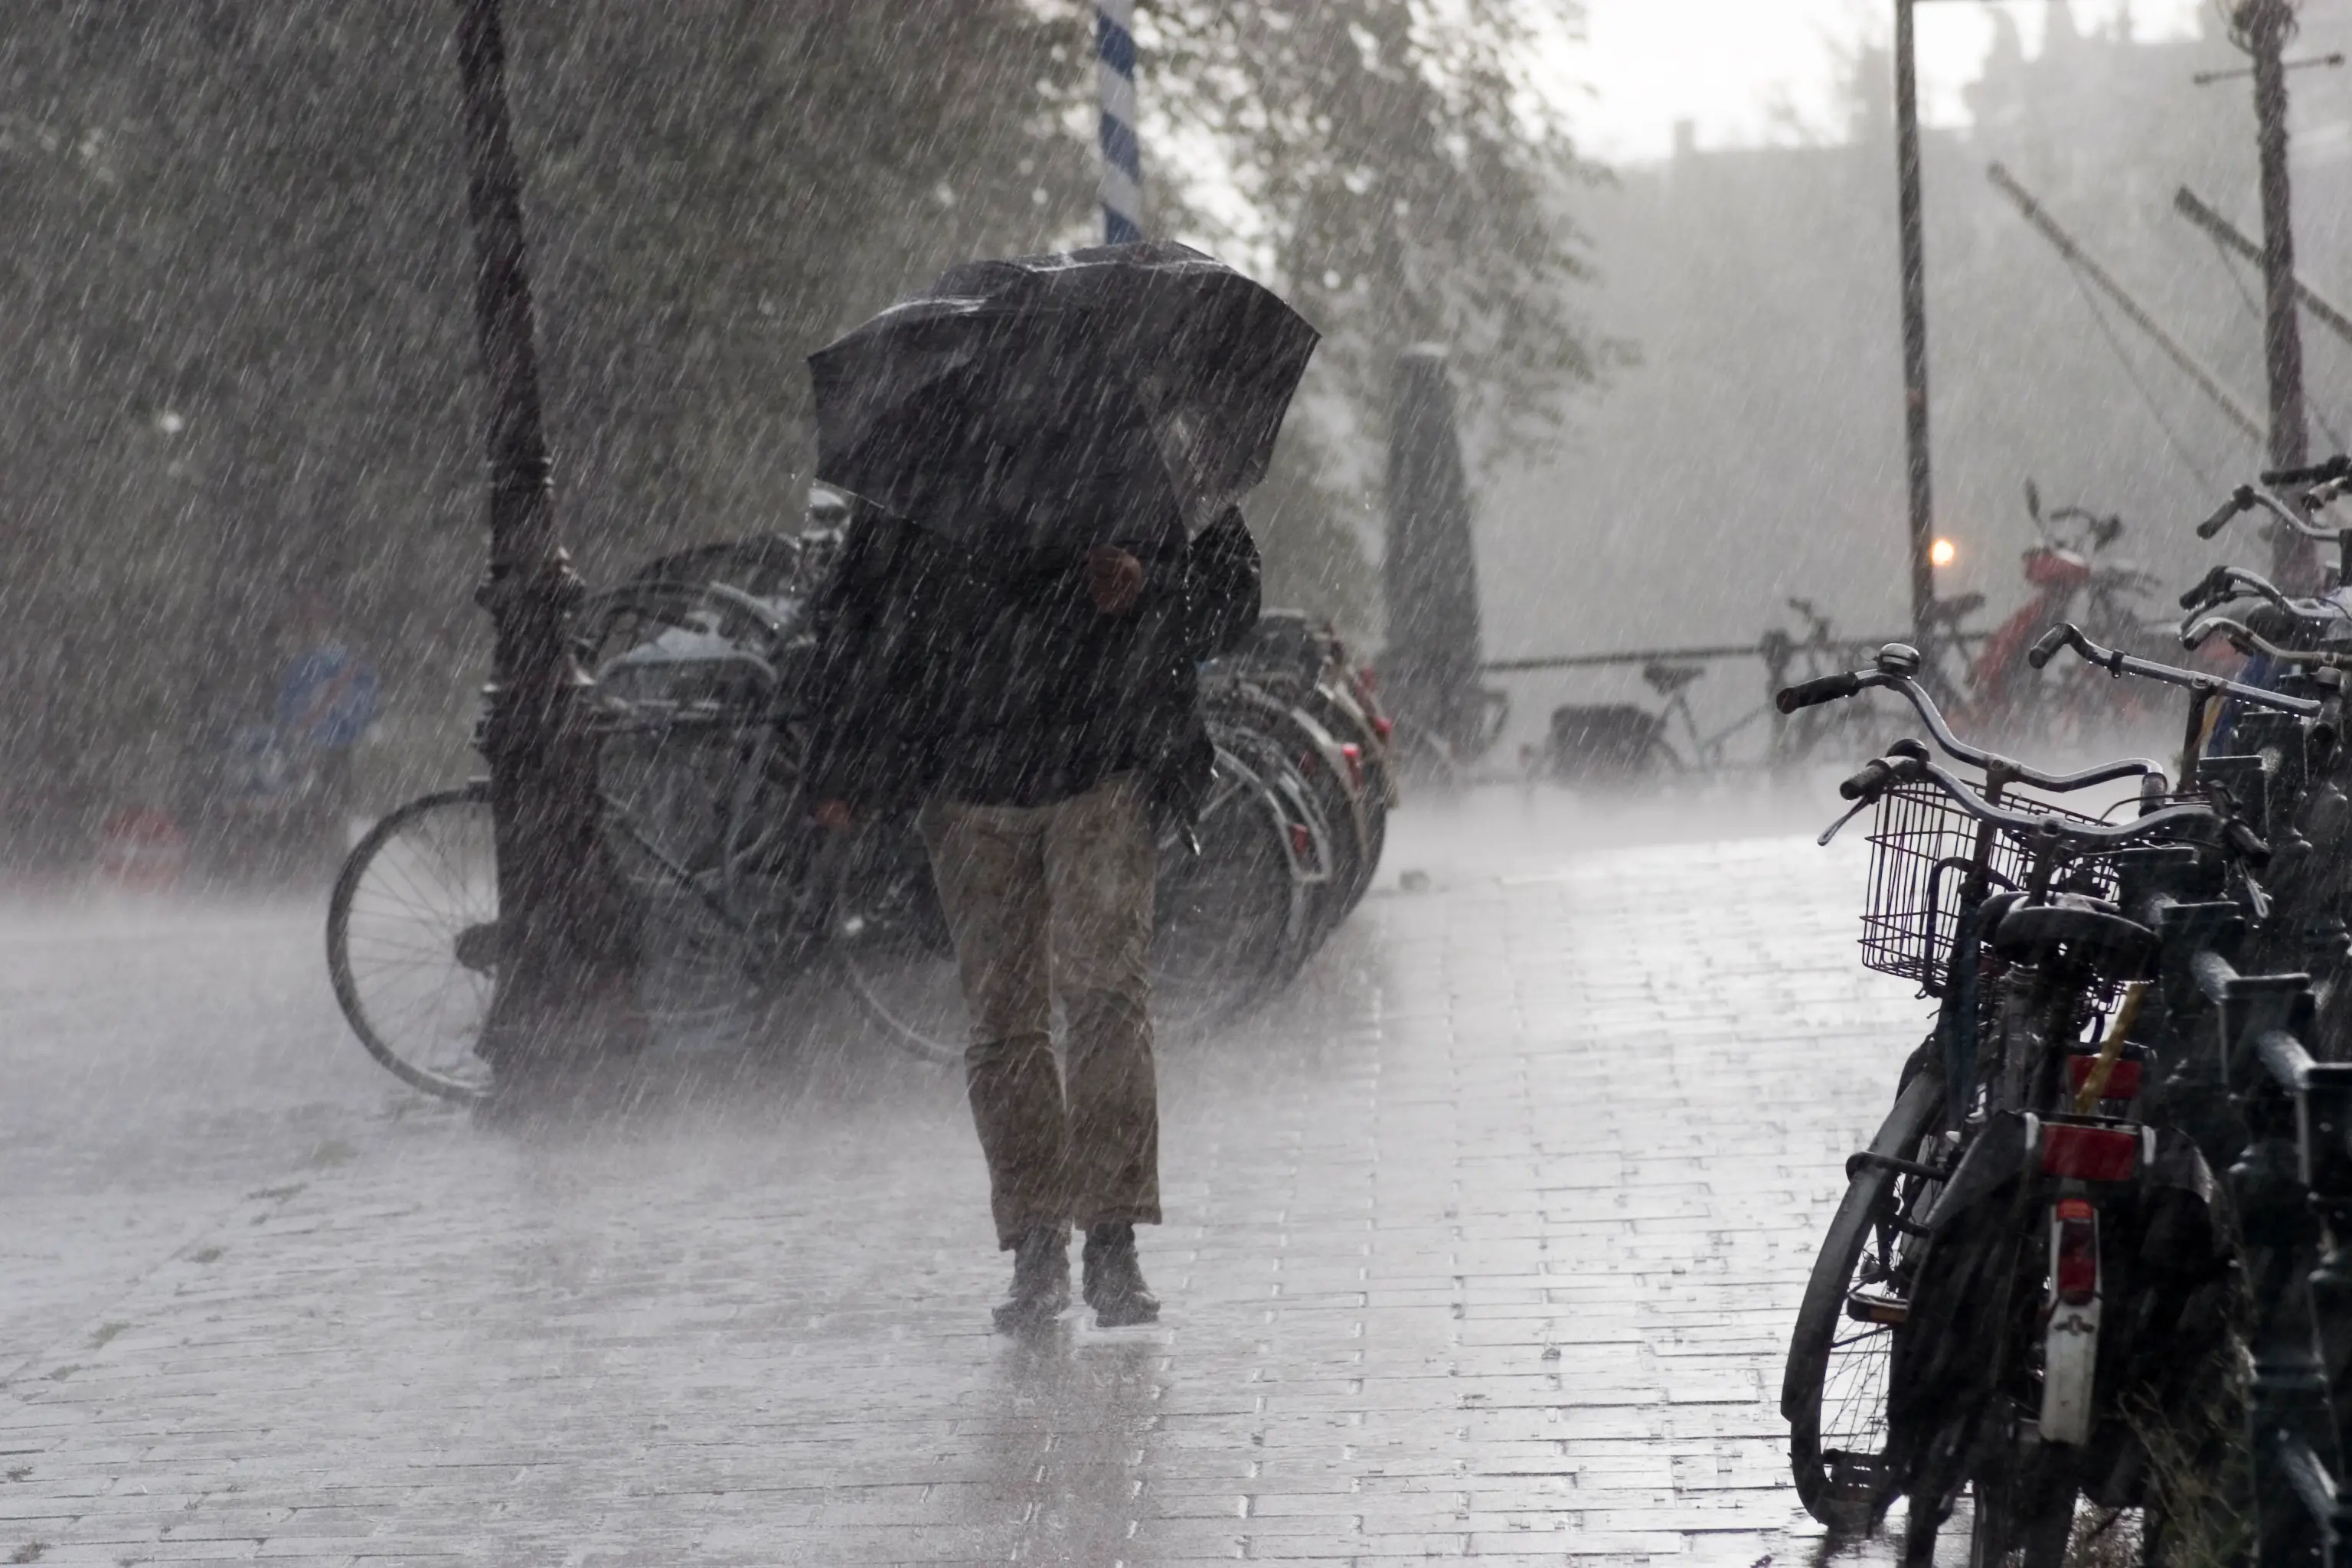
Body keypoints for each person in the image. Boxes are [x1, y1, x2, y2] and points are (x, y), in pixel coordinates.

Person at [803, 490, 1261, 1331]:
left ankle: (1112, 1239)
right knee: (1006, 1019)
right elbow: (857, 611)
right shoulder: (931, 459)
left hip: (1106, 765)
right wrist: (842, 759)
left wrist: (1148, 585)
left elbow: (1233, 596)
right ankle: (1038, 1242)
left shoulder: (1139, 444)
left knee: (1105, 997)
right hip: (968, 778)